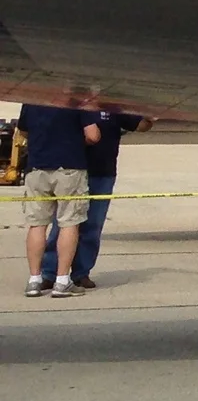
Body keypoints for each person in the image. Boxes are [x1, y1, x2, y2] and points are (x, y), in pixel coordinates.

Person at [43, 106, 145, 290]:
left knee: (92, 225)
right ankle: (50, 272)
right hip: (72, 169)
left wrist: (154, 115)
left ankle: (81, 273)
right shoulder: (73, 103)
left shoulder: (113, 104)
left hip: (102, 171)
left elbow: (139, 124)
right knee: (63, 223)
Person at [19, 101, 99, 298]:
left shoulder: (31, 100)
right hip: (69, 166)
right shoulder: (78, 101)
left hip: (37, 167)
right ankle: (62, 281)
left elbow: (23, 131)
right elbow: (93, 135)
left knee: (36, 224)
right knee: (69, 223)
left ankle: (34, 280)